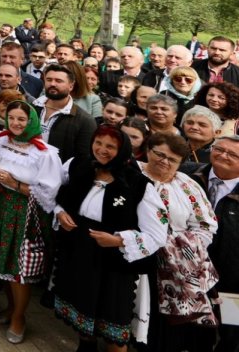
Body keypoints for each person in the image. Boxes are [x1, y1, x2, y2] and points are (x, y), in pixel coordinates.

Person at [51, 125, 161, 352]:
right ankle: (86, 347)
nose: (102, 150)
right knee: (82, 307)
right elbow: (59, 196)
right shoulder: (80, 167)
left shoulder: (137, 184)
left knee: (113, 321)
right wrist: (60, 212)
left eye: (111, 146)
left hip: (113, 264)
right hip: (80, 253)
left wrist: (119, 240)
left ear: (123, 150)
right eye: (98, 143)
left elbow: (157, 234)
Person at [133, 132, 218, 351]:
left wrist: (182, 248)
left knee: (169, 326)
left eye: (172, 159)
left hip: (177, 265)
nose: (164, 161)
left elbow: (205, 224)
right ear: (148, 151)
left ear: (181, 162)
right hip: (138, 258)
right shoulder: (131, 173)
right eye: (159, 154)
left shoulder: (187, 185)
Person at [0, 101, 62, 344]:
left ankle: (19, 317)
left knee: (19, 268)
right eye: (12, 118)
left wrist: (13, 182)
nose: (16, 123)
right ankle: (11, 308)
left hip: (26, 213)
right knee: (5, 263)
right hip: (3, 207)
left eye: (22, 119)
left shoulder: (44, 152)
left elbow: (48, 193)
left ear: (31, 121)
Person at [189, 134, 239, 352]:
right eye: (219, 149)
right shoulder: (188, 173)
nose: (223, 155)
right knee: (194, 330)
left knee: (231, 331)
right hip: (190, 271)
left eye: (232, 154)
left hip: (232, 283)